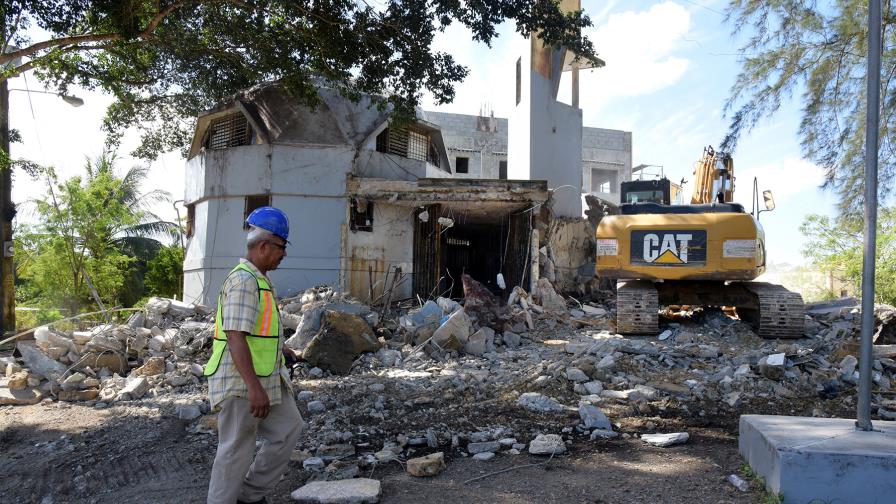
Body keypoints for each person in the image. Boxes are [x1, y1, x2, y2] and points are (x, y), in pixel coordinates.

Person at [205, 206, 305, 504]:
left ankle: (249, 496)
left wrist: (281, 348)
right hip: (243, 383)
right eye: (281, 246)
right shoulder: (244, 281)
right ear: (264, 246)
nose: (283, 254)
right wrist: (253, 389)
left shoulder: (259, 280)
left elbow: (254, 331)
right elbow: (236, 337)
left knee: (289, 428)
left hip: (267, 378)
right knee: (236, 450)